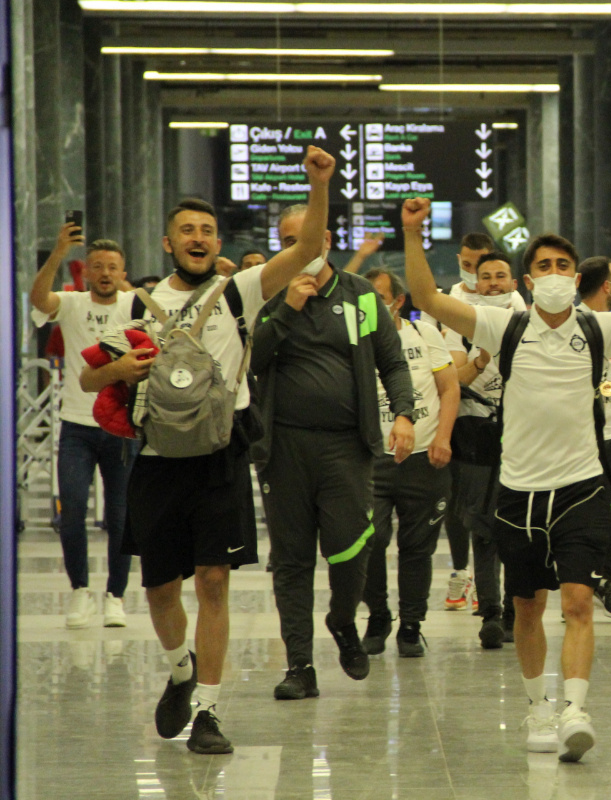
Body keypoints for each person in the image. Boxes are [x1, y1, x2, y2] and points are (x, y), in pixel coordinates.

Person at [406, 197, 611, 762]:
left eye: (561, 267)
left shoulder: (602, 327)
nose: (552, 275)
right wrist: (414, 233)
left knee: (577, 603)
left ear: (576, 277)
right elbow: (426, 298)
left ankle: (574, 707)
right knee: (526, 607)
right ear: (527, 279)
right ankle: (537, 707)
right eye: (541, 267)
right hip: (518, 491)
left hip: (581, 488)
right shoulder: (503, 323)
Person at [80, 146, 334, 756]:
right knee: (160, 589)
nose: (198, 237)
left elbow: (308, 250)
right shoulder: (138, 305)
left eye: (207, 230)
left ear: (217, 241)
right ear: (169, 244)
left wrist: (318, 184)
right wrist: (120, 365)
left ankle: (209, 713)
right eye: (187, 230)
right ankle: (180, 670)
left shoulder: (239, 291)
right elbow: (89, 381)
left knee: (214, 582)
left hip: (220, 456)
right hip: (157, 460)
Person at [249, 200, 416, 702]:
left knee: (352, 546)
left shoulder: (362, 296)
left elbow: (392, 361)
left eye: (305, 239)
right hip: (284, 449)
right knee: (292, 560)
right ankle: (300, 664)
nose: (295, 250)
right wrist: (288, 310)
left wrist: (404, 414)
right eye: (285, 241)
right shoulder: (265, 297)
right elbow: (251, 360)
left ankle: (343, 620)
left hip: (348, 448)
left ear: (324, 241)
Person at [30, 229, 137, 628]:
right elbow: (39, 299)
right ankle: (79, 591)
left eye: (112, 267)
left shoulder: (133, 303)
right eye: (97, 267)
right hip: (76, 425)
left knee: (122, 515)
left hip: (122, 428)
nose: (105, 273)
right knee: (72, 507)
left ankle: (116, 596)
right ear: (87, 273)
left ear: (123, 272)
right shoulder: (72, 304)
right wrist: (59, 251)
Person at [359, 267, 459, 658]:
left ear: (398, 302)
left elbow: (449, 388)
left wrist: (443, 438)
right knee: (371, 540)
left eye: (379, 299)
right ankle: (378, 615)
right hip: (373, 460)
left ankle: (411, 625)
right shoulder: (356, 339)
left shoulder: (423, 334)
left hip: (424, 459)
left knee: (417, 547)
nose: (370, 307)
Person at [445, 252, 523, 647]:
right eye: (486, 277)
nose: (493, 283)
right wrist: (480, 362)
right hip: (476, 429)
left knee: (516, 525)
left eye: (500, 276)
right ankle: (490, 612)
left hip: (523, 431)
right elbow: (451, 378)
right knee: (482, 525)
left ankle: (514, 609)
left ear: (513, 282)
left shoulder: (533, 317)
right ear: (475, 282)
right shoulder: (461, 321)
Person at [576, 256, 611, 619]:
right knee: (580, 516)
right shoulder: (573, 323)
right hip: (578, 437)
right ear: (605, 285)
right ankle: (577, 585)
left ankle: (604, 577)